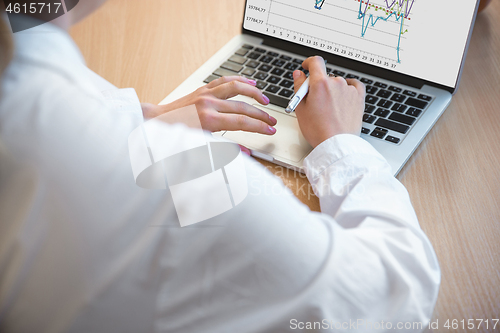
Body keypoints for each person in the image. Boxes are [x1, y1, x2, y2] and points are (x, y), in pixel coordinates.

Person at [0, 1, 440, 332]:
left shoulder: (22, 64)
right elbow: (393, 294)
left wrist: (136, 117)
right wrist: (341, 143)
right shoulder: (183, 176)